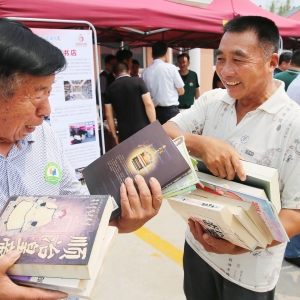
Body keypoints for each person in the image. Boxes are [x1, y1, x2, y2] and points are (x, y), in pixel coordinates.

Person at [0, 18, 162, 300]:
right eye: (37, 95)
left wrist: (114, 222)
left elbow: (72, 201)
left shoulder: (45, 136)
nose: (46, 109)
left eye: (49, 93)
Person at [163, 16, 300, 300]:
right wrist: (200, 145)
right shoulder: (213, 102)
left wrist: (244, 242)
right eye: (221, 58)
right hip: (198, 248)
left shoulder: (293, 125)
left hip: (250, 272)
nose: (225, 71)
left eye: (239, 60)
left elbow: (295, 214)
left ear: (272, 62)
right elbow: (164, 133)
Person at [105, 62, 156, 144]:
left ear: (114, 74)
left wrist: (114, 135)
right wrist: (154, 125)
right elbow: (149, 104)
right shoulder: (138, 81)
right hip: (143, 128)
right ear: (128, 71)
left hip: (124, 132)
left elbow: (108, 114)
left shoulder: (109, 89)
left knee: (130, 156)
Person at [142, 41, 184, 124]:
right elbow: (182, 91)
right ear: (166, 53)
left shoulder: (145, 72)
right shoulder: (171, 68)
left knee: (157, 136)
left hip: (153, 112)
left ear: (152, 54)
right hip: (171, 111)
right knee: (174, 136)